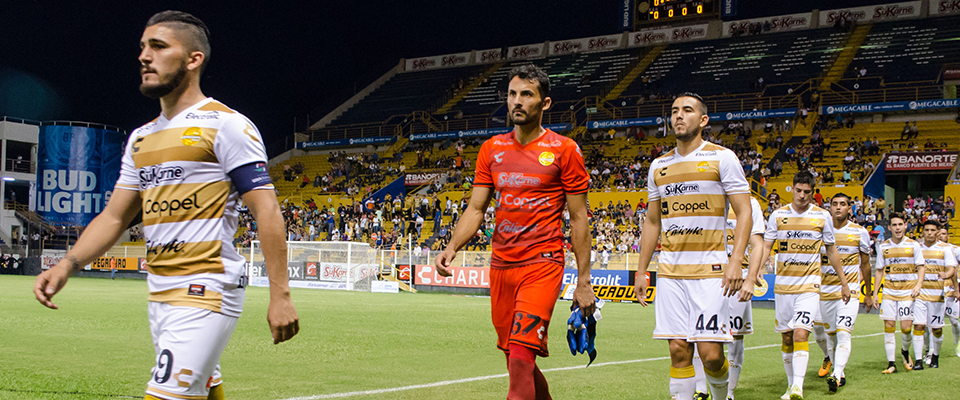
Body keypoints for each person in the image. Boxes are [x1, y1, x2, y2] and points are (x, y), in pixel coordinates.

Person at [33, 11, 299, 400]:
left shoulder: (226, 125)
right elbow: (114, 216)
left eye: (158, 46)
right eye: (142, 47)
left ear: (194, 59)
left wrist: (281, 295)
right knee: (203, 390)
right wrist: (67, 264)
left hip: (206, 287)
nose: (144, 56)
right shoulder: (141, 139)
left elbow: (267, 210)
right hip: (160, 290)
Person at [434, 64, 594, 400]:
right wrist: (452, 246)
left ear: (545, 103)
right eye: (512, 94)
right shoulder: (492, 150)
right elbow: (476, 208)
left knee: (521, 358)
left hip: (542, 264)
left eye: (526, 94)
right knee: (516, 359)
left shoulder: (565, 150)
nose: (517, 101)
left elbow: (579, 218)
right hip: (501, 266)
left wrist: (584, 281)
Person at [634, 92, 754, 400]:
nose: (678, 115)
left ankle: (721, 396)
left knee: (711, 354)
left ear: (702, 120)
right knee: (678, 350)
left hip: (710, 271)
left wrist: (735, 261)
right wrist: (641, 270)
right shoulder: (658, 166)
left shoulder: (722, 158)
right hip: (671, 273)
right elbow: (651, 222)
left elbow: (744, 212)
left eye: (687, 110)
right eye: (674, 111)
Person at [758, 171, 850, 400]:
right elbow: (766, 246)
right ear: (792, 189)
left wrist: (844, 282)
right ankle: (790, 386)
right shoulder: (778, 215)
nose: (801, 196)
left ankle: (798, 386)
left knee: (801, 333)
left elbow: (831, 250)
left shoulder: (822, 216)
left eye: (807, 192)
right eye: (798, 191)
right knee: (787, 337)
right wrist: (757, 271)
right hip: (782, 287)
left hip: (809, 286)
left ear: (813, 192)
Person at [692, 196, 766, 400]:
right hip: (706, 276)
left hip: (737, 277)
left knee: (735, 337)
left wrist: (750, 278)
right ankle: (701, 389)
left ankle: (729, 394)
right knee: (700, 333)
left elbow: (757, 244)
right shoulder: (706, 195)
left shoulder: (750, 203)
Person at [817, 193, 872, 392]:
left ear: (850, 208)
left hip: (850, 291)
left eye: (843, 204)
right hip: (824, 291)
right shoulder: (820, 230)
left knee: (844, 332)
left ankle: (836, 373)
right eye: (835, 204)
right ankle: (839, 372)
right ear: (829, 207)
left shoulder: (860, 232)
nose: (838, 207)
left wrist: (869, 292)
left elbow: (865, 264)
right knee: (830, 336)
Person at [872, 213, 925, 374]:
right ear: (889, 228)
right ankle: (891, 363)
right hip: (889, 292)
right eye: (894, 225)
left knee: (906, 328)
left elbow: (921, 267)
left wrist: (918, 285)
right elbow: (879, 270)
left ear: (905, 226)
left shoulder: (914, 245)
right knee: (888, 325)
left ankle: (904, 350)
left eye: (900, 224)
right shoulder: (884, 247)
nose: (897, 228)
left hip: (908, 293)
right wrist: (875, 294)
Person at [914, 221, 956, 369]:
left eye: (932, 230)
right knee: (919, 325)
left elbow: (952, 268)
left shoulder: (945, 249)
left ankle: (935, 355)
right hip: (919, 293)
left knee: (936, 329)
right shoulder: (916, 248)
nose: (930, 233)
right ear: (923, 232)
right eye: (927, 230)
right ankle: (919, 360)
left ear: (937, 232)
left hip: (937, 294)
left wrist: (947, 274)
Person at [936, 227, 960, 357]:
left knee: (954, 321)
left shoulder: (956, 250)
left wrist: (957, 289)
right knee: (933, 323)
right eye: (939, 234)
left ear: (948, 236)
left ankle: (958, 343)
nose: (941, 236)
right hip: (935, 290)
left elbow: (956, 270)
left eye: (943, 234)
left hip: (951, 289)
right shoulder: (932, 250)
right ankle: (931, 351)